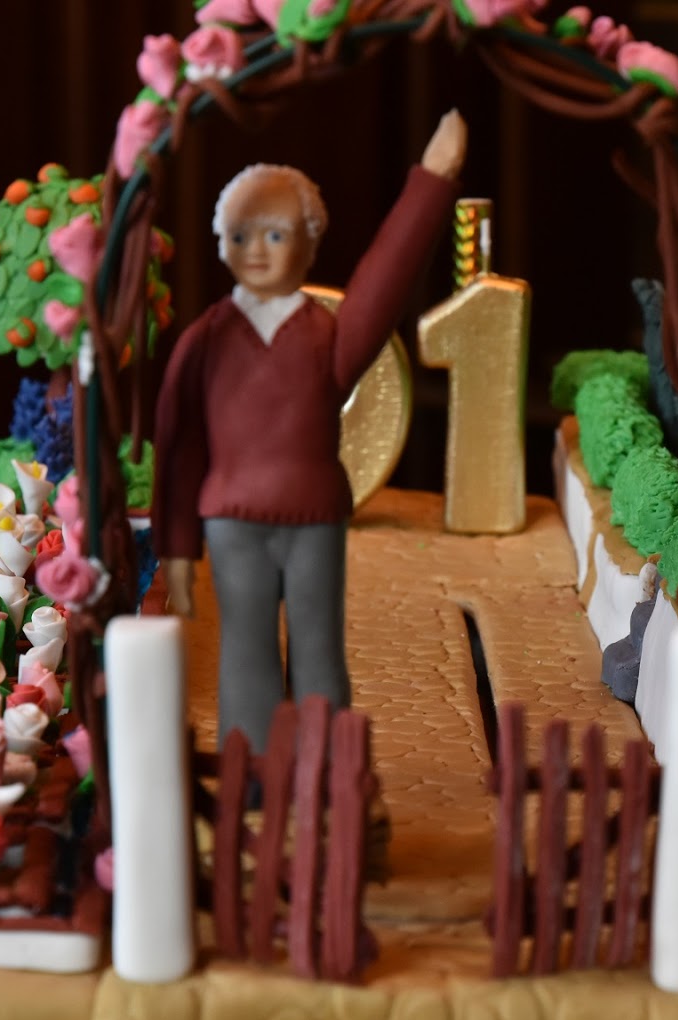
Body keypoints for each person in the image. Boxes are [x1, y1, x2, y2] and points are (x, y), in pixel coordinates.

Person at [154, 111, 466, 752]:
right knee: (246, 655)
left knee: (319, 652)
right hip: (233, 522)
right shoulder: (206, 339)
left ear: (311, 240)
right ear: (221, 243)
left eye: (276, 234)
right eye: (242, 234)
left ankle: (324, 770)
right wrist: (178, 548)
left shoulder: (329, 335)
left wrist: (433, 180)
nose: (258, 250)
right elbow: (180, 447)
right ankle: (253, 774)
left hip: (314, 521)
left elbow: (386, 280)